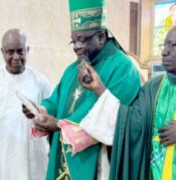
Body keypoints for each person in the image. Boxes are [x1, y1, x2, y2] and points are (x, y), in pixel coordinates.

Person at [21, 0, 141, 179]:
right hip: (64, 154)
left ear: (101, 37)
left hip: (100, 158)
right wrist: (41, 111)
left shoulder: (124, 67)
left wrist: (60, 124)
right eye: (73, 40)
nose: (76, 46)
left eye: (82, 40)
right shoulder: (72, 69)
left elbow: (111, 114)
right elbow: (56, 100)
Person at [78, 21, 176, 179]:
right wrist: (99, 88)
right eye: (164, 45)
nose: (164, 52)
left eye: (171, 45)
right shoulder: (154, 87)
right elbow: (131, 124)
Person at [0, 28, 51, 180]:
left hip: (31, 156)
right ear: (2, 52)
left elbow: (48, 119)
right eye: (10, 52)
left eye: (20, 51)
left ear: (27, 50)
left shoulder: (40, 82)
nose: (16, 57)